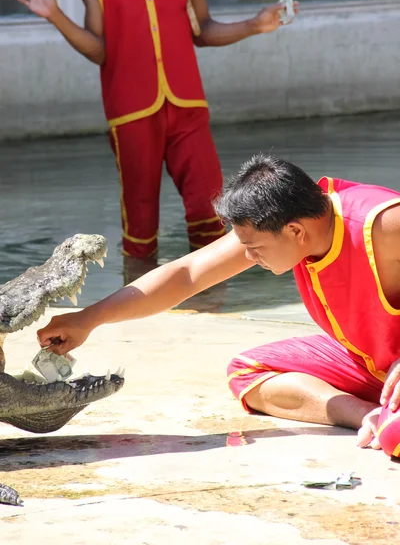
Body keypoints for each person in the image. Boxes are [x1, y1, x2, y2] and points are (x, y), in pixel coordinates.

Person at [37, 154, 400, 452]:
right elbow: (188, 273)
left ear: (295, 231)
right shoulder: (288, 222)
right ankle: (369, 414)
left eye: (255, 249)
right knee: (248, 373)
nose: (249, 257)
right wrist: (88, 319)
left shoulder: (383, 224)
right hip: (371, 364)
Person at [13, 0, 288, 262]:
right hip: (130, 112)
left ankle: (214, 302)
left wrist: (254, 25)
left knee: (210, 210)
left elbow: (203, 29)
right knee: (140, 224)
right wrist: (55, 15)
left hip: (188, 107)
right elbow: (99, 51)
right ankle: (138, 302)